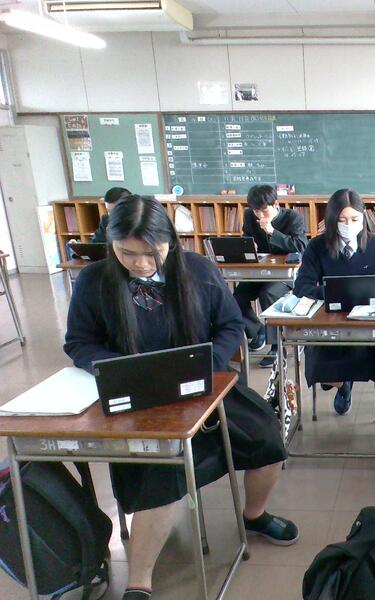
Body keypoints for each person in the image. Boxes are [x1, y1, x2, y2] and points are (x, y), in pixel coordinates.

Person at [63, 195, 297, 600]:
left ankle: (254, 515)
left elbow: (230, 325)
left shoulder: (198, 270)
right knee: (164, 466)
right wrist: (118, 368)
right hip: (138, 396)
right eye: (126, 253)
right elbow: (79, 343)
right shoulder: (94, 281)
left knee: (267, 436)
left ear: (170, 240)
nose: (140, 263)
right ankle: (139, 582)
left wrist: (209, 364)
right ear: (111, 245)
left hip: (202, 386)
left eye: (150, 252)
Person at [293, 189, 375, 416]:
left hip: (365, 322)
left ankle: (346, 381)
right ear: (332, 220)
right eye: (341, 220)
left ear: (363, 218)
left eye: (354, 219)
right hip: (328, 321)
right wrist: (334, 293)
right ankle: (342, 383)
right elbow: (302, 287)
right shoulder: (317, 247)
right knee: (322, 363)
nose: (348, 225)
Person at [233, 184, 307, 367]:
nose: (260, 216)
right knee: (236, 298)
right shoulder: (249, 216)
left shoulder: (292, 218)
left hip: (286, 274)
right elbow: (246, 237)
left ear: (276, 204)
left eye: (264, 211)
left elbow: (301, 247)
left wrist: (273, 232)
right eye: (256, 211)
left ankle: (277, 347)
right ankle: (258, 330)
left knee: (269, 293)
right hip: (260, 270)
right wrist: (248, 246)